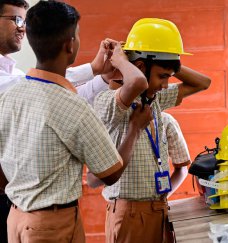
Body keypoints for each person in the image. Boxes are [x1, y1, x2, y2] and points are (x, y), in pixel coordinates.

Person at [0, 1, 152, 242]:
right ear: (70, 45)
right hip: (52, 226)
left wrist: (98, 73)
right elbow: (110, 173)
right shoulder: (74, 107)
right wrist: (134, 128)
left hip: (16, 219)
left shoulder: (11, 96)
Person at [91, 18, 211, 243]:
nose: (166, 84)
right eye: (162, 76)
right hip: (130, 213)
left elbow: (203, 83)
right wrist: (122, 58)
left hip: (158, 208)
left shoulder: (153, 99)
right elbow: (136, 82)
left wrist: (170, 62)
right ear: (139, 68)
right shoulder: (108, 102)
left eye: (169, 76)